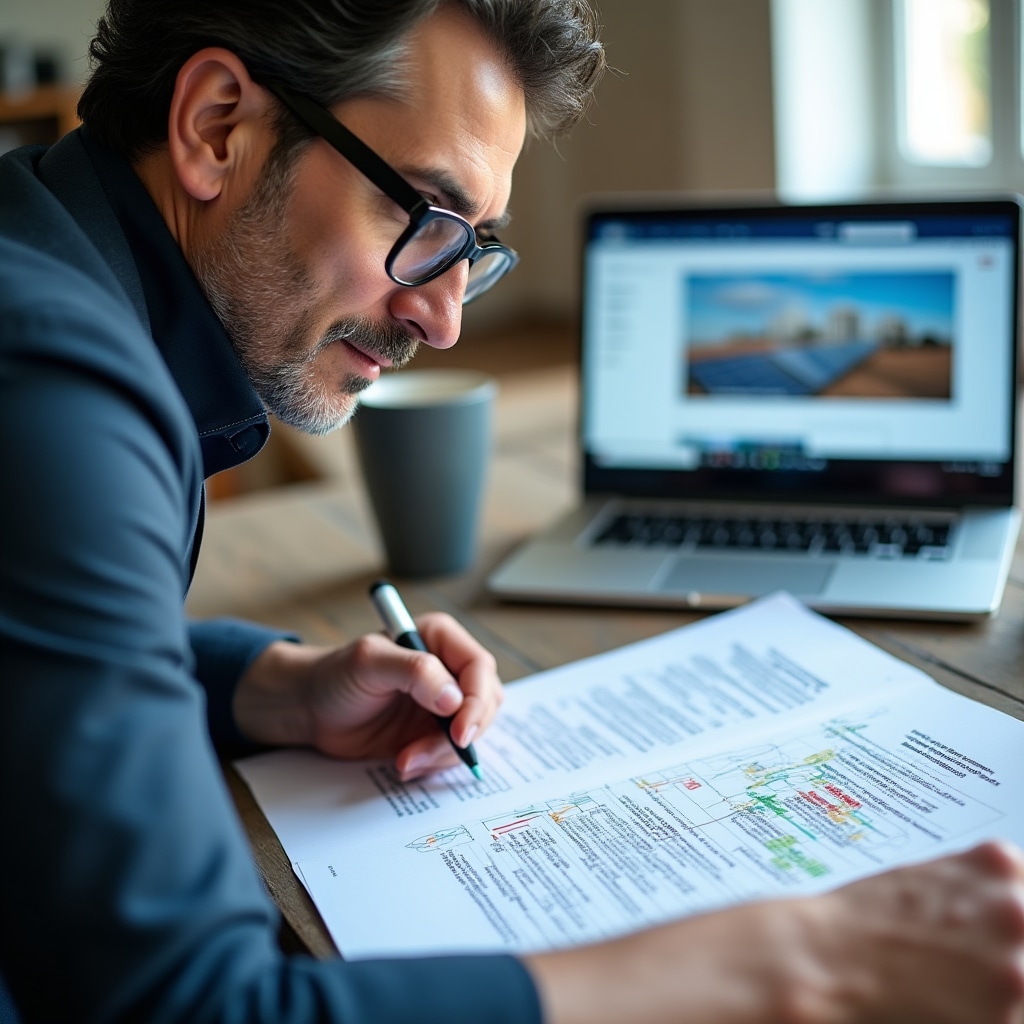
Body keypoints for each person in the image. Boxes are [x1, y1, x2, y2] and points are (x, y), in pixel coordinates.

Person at [0, 1, 1022, 1021]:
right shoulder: (55, 388)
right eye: (422, 218)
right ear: (217, 125)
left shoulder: (50, 265)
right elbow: (190, 1006)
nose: (443, 319)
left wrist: (270, 687)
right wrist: (793, 965)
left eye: (472, 247)